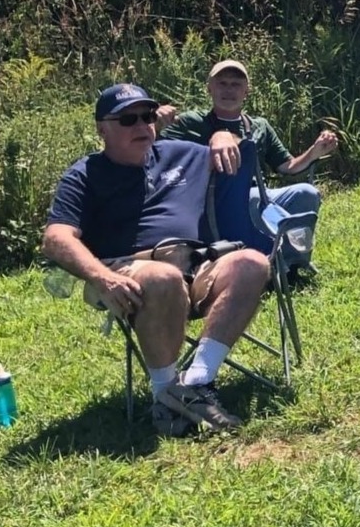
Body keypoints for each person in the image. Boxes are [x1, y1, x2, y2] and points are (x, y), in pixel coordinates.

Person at [43, 83, 273, 435]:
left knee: (252, 263)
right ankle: (166, 393)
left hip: (195, 262)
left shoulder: (180, 153)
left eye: (148, 116)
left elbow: (228, 139)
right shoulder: (84, 175)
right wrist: (102, 277)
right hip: (126, 270)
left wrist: (224, 134)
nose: (142, 126)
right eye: (128, 119)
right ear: (101, 129)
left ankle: (195, 383)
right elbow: (56, 237)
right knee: (163, 277)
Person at [156, 59, 338, 284]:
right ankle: (262, 262)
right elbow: (154, 151)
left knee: (306, 193)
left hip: (258, 193)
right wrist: (155, 123)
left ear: (246, 91)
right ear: (209, 88)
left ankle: (290, 264)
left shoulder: (259, 125)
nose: (229, 89)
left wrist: (313, 152)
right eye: (222, 83)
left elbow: (288, 167)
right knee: (252, 199)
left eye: (236, 84)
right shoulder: (191, 122)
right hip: (215, 202)